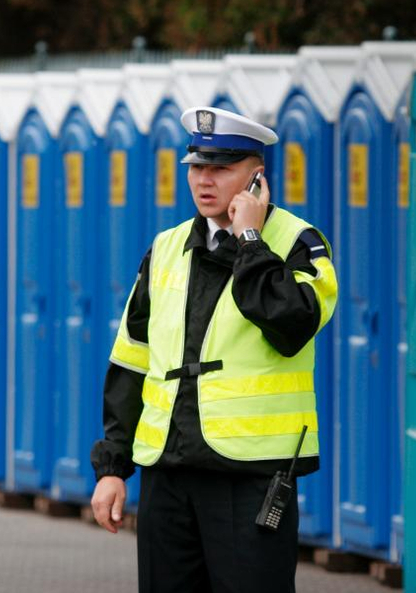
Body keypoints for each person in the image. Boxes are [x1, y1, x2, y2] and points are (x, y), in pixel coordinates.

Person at [90, 106, 338, 593]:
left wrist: (249, 238)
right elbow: (130, 360)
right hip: (168, 473)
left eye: (220, 168)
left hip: (250, 477)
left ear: (255, 177)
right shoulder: (165, 247)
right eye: (196, 168)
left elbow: (292, 323)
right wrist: (113, 469)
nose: (204, 181)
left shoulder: (297, 243)